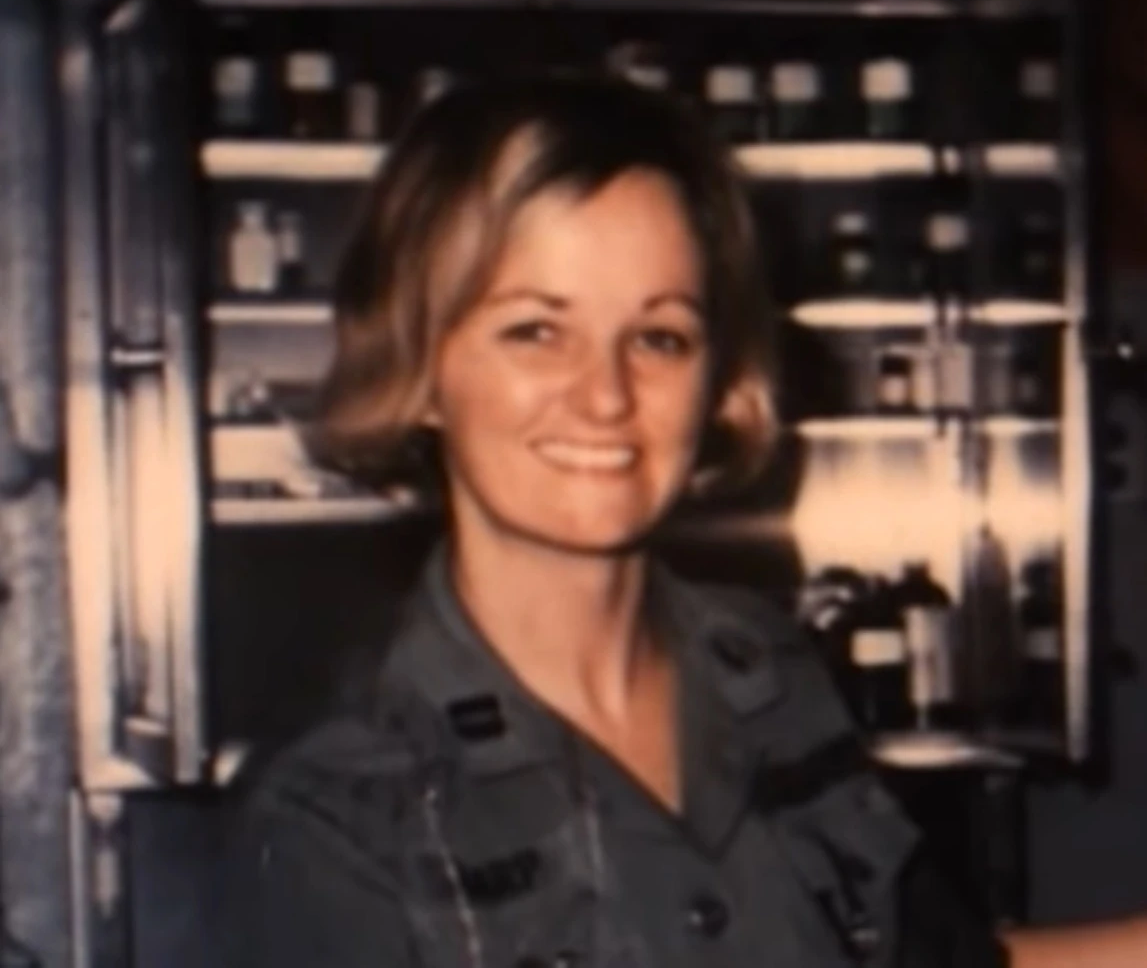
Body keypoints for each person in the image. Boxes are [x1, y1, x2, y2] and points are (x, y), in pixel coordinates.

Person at [223, 73, 1145, 968]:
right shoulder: (343, 808)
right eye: (536, 330)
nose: (606, 395)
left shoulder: (766, 672)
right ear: (421, 370)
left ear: (718, 382)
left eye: (658, 337)